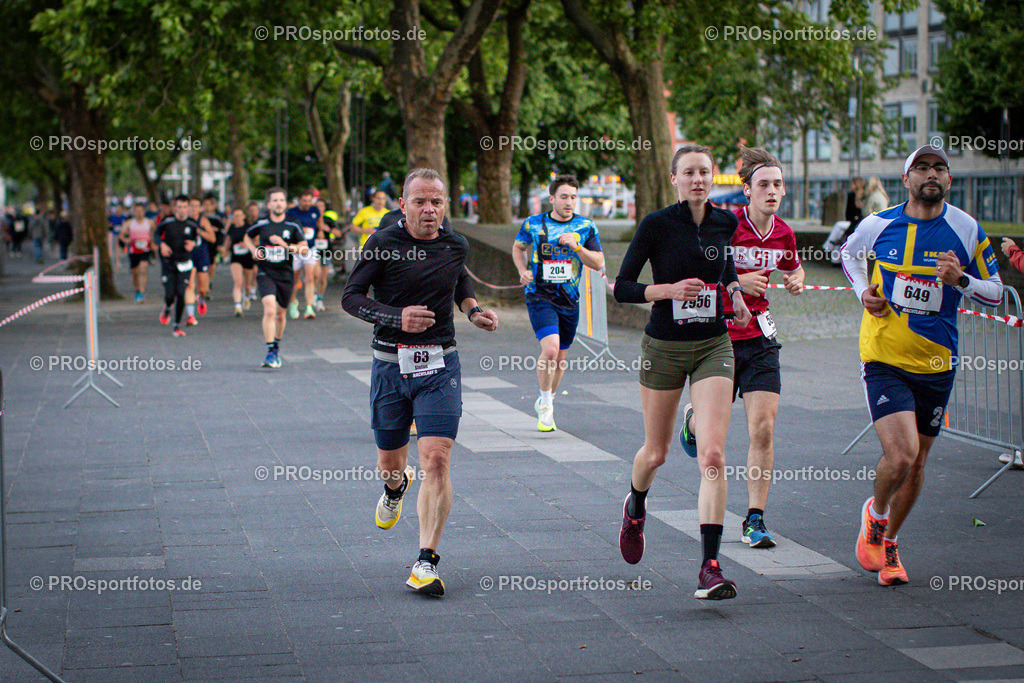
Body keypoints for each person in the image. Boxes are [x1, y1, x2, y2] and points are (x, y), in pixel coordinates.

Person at [842, 145, 1002, 586]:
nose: (931, 174)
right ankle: (875, 514)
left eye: (940, 168)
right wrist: (862, 294)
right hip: (884, 357)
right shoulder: (878, 224)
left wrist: (962, 280)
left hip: (936, 361)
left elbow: (996, 291)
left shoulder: (966, 229)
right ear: (906, 179)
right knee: (902, 453)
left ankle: (889, 541)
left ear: (949, 180)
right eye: (922, 168)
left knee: (916, 464)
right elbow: (847, 256)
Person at [341, 168, 498, 596]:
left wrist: (472, 309)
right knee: (392, 464)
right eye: (420, 202)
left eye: (437, 202)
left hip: (440, 365)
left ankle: (425, 561)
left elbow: (458, 277)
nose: (429, 210)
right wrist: (397, 317)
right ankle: (395, 487)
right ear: (403, 205)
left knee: (436, 460)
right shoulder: (384, 243)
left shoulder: (454, 243)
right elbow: (351, 298)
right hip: (390, 365)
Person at [614, 143, 751, 600]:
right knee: (656, 453)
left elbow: (725, 261)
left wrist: (734, 292)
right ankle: (635, 507)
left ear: (713, 178)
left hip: (714, 343)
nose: (698, 179)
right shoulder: (657, 225)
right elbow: (623, 287)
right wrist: (668, 290)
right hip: (664, 347)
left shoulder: (724, 221)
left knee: (713, 456)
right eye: (689, 173)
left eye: (705, 172)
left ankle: (710, 566)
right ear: (674, 179)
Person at [678, 147, 804, 549]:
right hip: (718, 340)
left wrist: (796, 278)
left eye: (778, 184)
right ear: (746, 191)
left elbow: (792, 265)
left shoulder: (784, 233)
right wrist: (739, 283)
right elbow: (694, 274)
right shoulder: (724, 226)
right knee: (712, 433)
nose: (772, 191)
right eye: (763, 184)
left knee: (763, 428)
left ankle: (755, 519)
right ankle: (691, 421)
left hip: (760, 340)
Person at [512, 174, 604, 431]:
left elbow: (598, 262)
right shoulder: (533, 224)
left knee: (561, 358)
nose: (569, 202)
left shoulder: (586, 226)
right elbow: (517, 248)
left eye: (574, 197)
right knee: (550, 351)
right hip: (539, 295)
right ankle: (545, 404)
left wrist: (577, 248)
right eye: (564, 197)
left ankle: (548, 399)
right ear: (551, 198)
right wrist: (522, 270)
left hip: (570, 299)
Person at [244, 188, 308, 368]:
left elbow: (304, 249)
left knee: (280, 314)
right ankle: (270, 351)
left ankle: (276, 345)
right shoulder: (262, 223)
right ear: (269, 204)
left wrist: (285, 245)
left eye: (281, 200)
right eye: (275, 200)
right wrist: (254, 251)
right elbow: (247, 236)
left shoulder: (293, 224)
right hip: (265, 272)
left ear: (285, 203)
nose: (279, 203)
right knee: (270, 309)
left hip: (286, 274)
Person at [153, 195, 197, 337]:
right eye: (179, 207)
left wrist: (194, 243)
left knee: (181, 293)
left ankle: (176, 325)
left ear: (188, 208)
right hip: (169, 263)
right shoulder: (167, 221)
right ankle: (167, 308)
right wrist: (162, 244)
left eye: (185, 207)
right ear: (174, 208)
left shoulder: (192, 224)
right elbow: (156, 234)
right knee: (170, 295)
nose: (182, 210)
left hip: (184, 263)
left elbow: (198, 238)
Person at [285, 188, 321, 319]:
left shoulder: (314, 210)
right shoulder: (291, 212)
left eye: (309, 201)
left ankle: (309, 307)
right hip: (296, 249)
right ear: (299, 200)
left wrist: (320, 231)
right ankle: (293, 301)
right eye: (304, 201)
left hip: (310, 248)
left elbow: (319, 222)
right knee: (295, 278)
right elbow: (286, 229)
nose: (307, 203)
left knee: (310, 277)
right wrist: (300, 230)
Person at [186, 196, 215, 323]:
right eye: (191, 205)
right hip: (188, 256)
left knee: (203, 288)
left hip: (202, 255)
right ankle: (191, 315)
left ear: (200, 208)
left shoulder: (203, 221)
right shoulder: (184, 221)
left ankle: (201, 298)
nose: (194, 208)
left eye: (196, 206)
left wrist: (200, 232)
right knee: (190, 284)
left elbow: (212, 238)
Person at [119, 202, 154, 302]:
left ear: (144, 212)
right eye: (137, 211)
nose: (139, 213)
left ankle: (142, 292)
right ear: (134, 212)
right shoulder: (129, 223)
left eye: (141, 211)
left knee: (143, 269)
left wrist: (152, 243)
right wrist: (127, 241)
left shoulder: (150, 222)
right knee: (134, 272)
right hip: (133, 250)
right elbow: (121, 235)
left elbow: (154, 233)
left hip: (145, 250)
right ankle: (137, 290)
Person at [223, 207, 256, 316]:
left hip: (247, 257)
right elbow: (228, 240)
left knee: (247, 285)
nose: (237, 218)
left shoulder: (249, 228)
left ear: (243, 216)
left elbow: (256, 241)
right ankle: (237, 306)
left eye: (239, 215)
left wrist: (247, 244)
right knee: (238, 281)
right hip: (236, 257)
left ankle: (246, 296)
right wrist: (224, 251)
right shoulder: (231, 228)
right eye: (235, 216)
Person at [202, 193, 227, 292]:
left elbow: (222, 232)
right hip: (203, 245)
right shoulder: (200, 219)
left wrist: (220, 244)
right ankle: (204, 285)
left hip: (213, 245)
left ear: (213, 206)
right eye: (205, 204)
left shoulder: (217, 219)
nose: (207, 207)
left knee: (212, 266)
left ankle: (209, 282)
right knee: (204, 266)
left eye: (209, 204)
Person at [108, 203, 126, 271]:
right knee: (116, 248)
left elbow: (125, 225)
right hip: (115, 234)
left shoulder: (123, 217)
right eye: (117, 208)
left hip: (121, 234)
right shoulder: (113, 217)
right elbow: (110, 225)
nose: (118, 210)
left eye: (119, 208)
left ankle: (123, 250)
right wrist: (111, 225)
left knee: (121, 247)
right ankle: (117, 261)